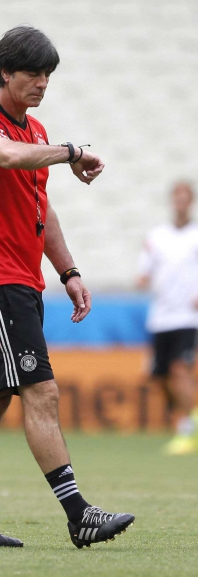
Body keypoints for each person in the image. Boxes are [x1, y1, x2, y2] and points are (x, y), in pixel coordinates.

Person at [0, 26, 134, 549]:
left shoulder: (35, 130)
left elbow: (39, 209)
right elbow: (6, 157)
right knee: (40, 391)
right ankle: (79, 515)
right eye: (32, 73)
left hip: (20, 280)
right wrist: (70, 151)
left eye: (47, 74)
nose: (42, 82)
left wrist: (68, 271)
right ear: (5, 73)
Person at [137, 181, 198, 455]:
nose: (181, 203)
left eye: (186, 198)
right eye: (177, 198)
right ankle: (189, 416)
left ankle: (187, 428)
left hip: (188, 316)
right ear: (172, 201)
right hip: (161, 316)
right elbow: (143, 273)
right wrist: (143, 279)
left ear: (191, 201)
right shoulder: (157, 236)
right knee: (160, 376)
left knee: (179, 369)